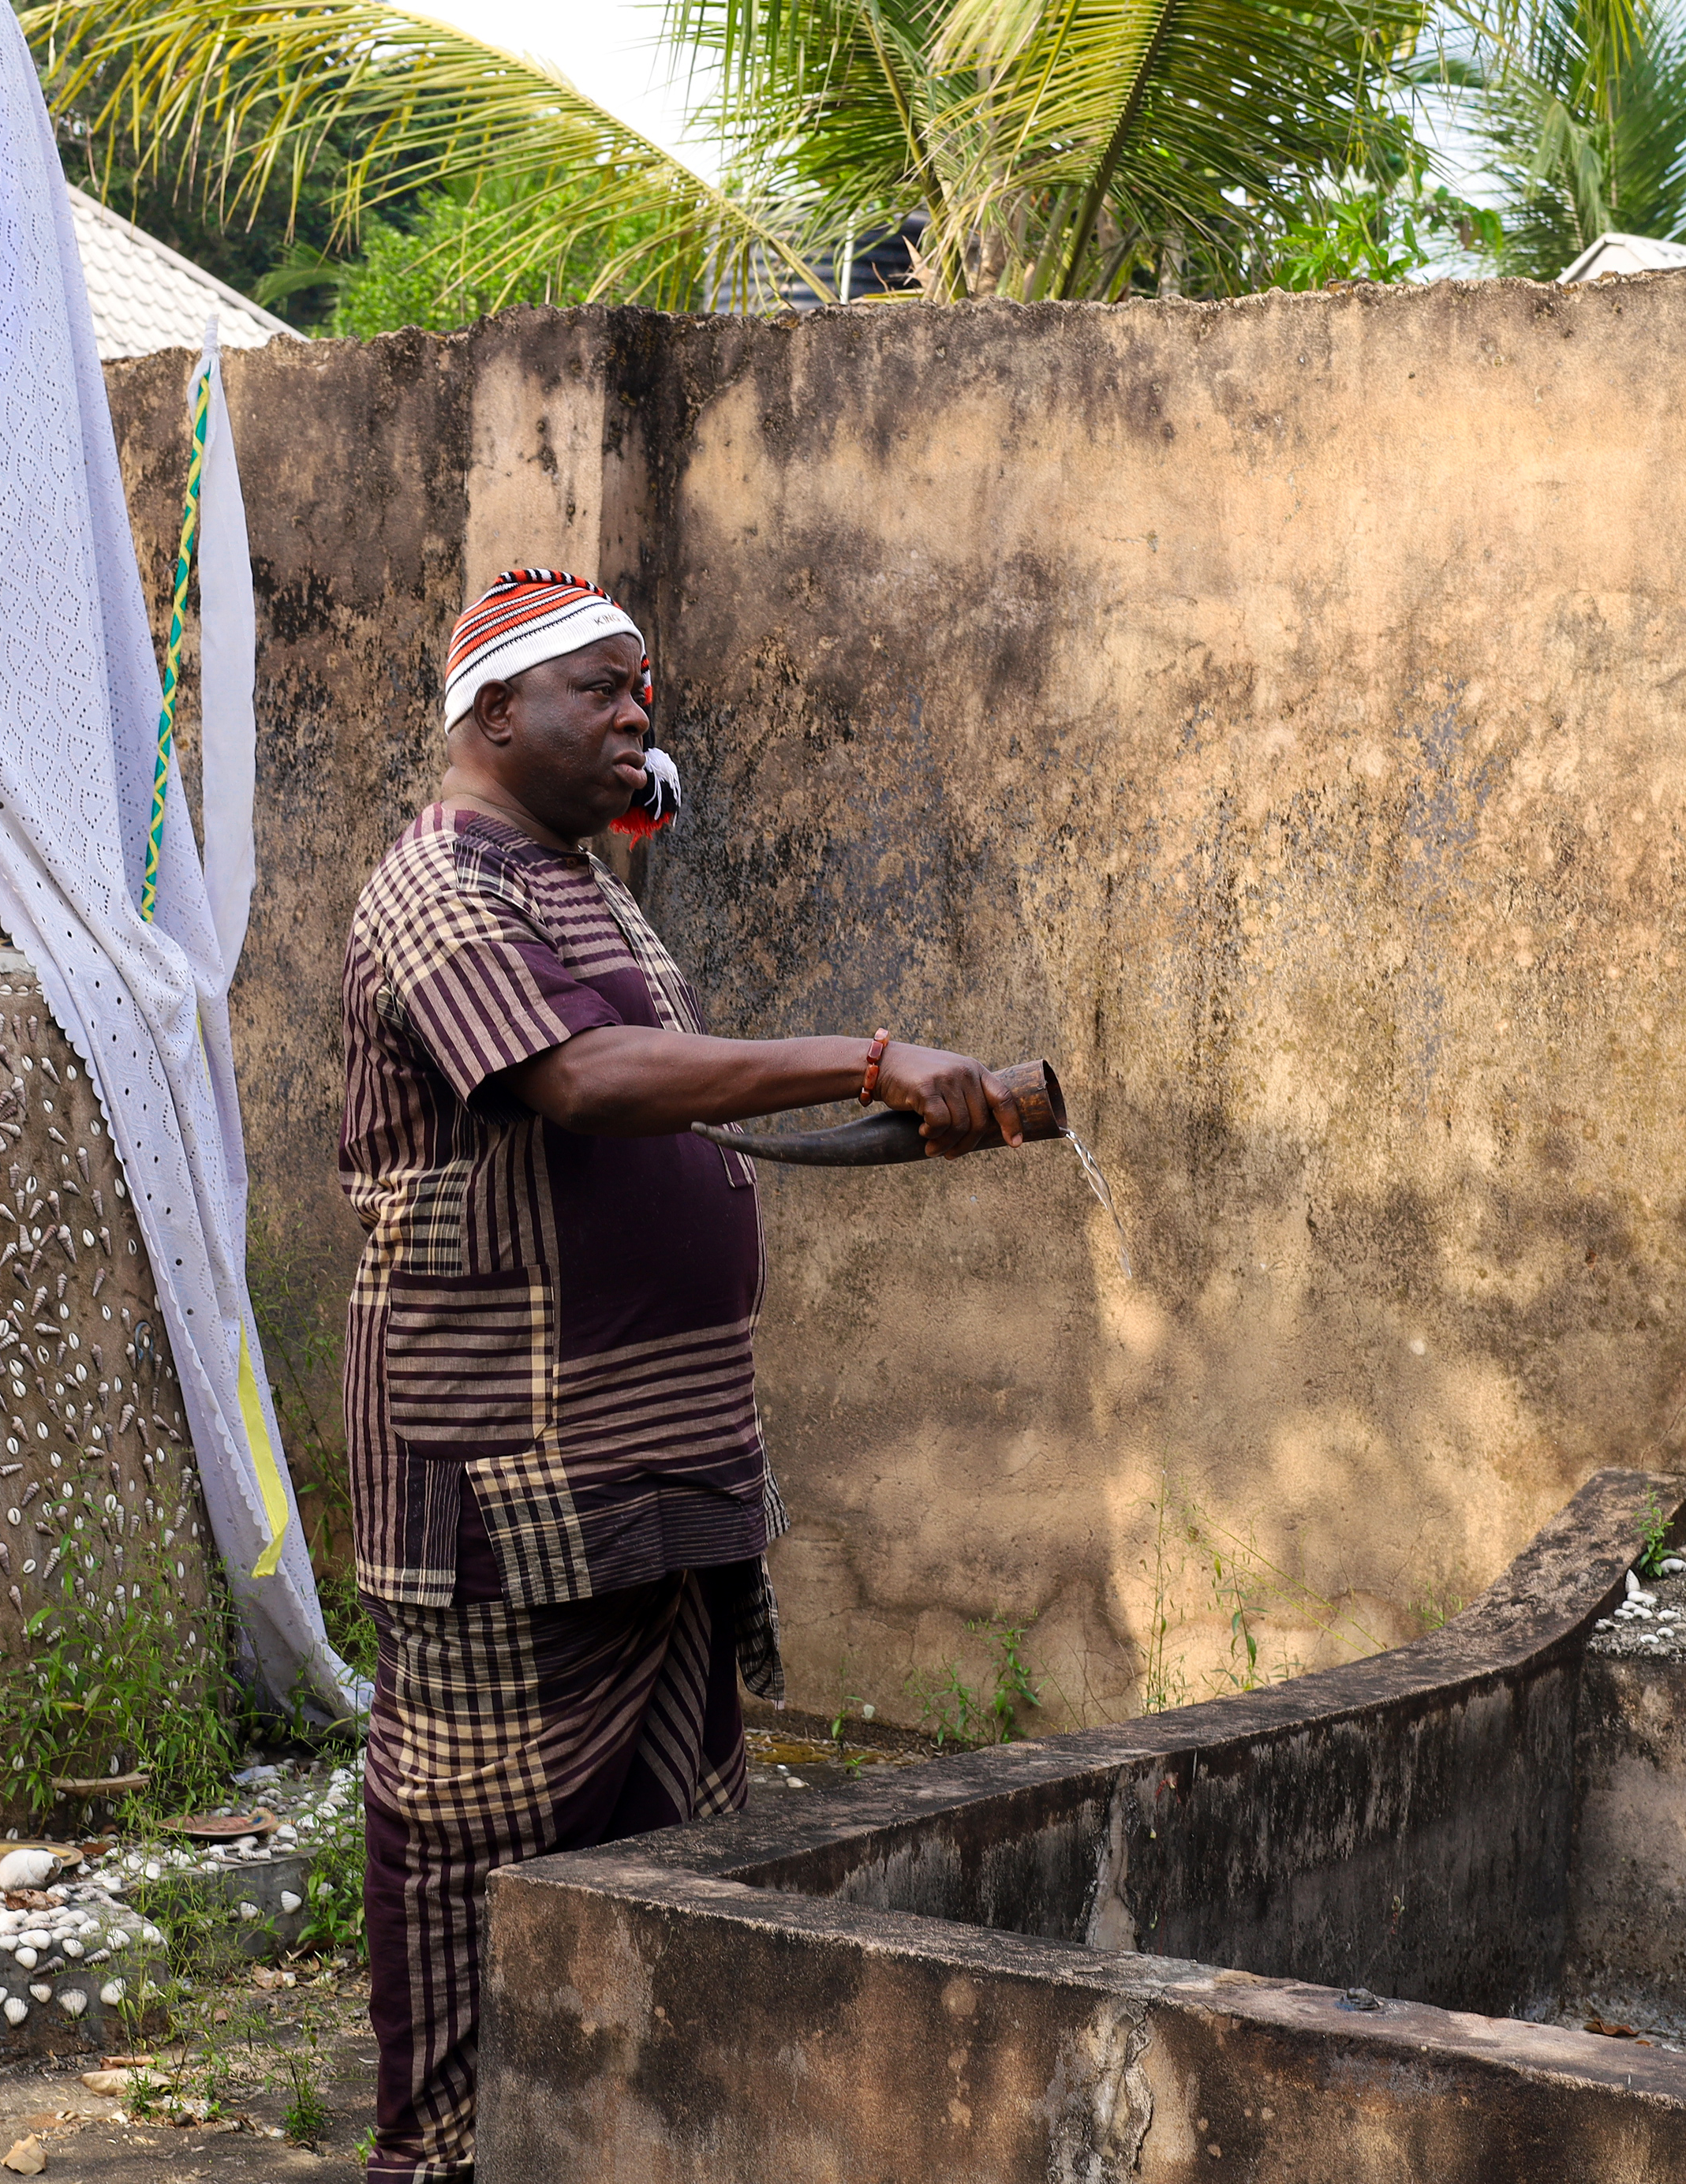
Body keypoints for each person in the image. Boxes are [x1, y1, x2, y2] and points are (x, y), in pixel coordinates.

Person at [335, 569, 1020, 2181]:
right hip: (507, 1475)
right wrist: (867, 1059)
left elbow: (663, 1100)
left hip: (653, 1465)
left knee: (667, 1855)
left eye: (646, 691)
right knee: (480, 1846)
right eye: (601, 687)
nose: (638, 714)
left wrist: (892, 1111)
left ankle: (609, 2145)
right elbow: (585, 1077)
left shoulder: (574, 881)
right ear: (492, 712)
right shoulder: (440, 880)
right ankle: (449, 2158)